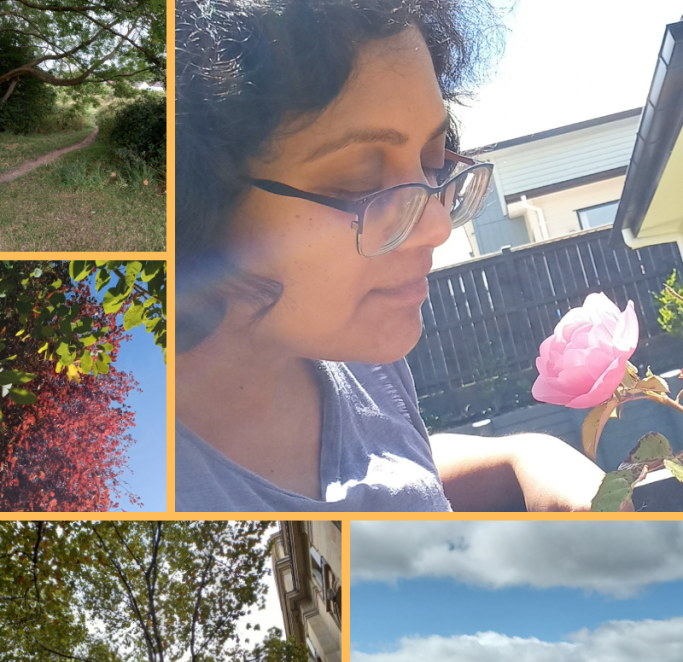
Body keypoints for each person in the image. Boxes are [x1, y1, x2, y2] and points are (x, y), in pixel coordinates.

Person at [175, 0, 604, 513]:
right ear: (197, 202)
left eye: (432, 161)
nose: (437, 226)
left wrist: (528, 456)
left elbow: (393, 464)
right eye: (357, 180)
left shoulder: (360, 363)